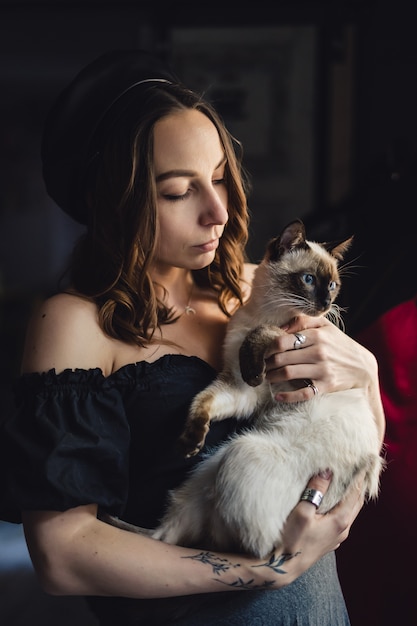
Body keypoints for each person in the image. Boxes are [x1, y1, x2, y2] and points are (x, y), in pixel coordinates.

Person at [0, 50, 385, 626]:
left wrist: (368, 375)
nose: (218, 212)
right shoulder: (73, 323)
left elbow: (356, 440)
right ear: (117, 200)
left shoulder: (261, 288)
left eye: (221, 180)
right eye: (179, 191)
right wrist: (267, 568)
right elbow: (63, 556)